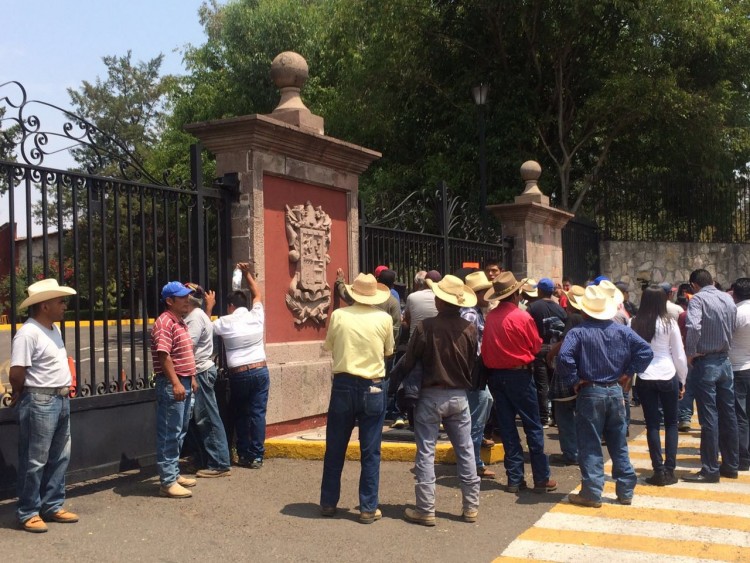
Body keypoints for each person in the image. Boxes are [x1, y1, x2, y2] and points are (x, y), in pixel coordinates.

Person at [557, 285, 653, 508]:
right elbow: (646, 351)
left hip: (590, 392)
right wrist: (628, 373)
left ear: (584, 311)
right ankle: (625, 491)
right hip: (615, 391)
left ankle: (591, 493)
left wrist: (574, 380)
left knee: (590, 444)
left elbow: (563, 358)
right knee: (618, 443)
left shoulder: (578, 333)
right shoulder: (622, 330)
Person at [400, 275, 480, 526]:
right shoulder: (470, 328)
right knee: (465, 450)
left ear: (440, 301)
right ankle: (470, 507)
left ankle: (426, 508)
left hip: (431, 394)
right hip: (459, 395)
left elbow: (410, 360)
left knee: (426, 451)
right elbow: (473, 361)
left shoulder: (426, 327)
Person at [320, 273, 394, 524]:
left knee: (335, 447)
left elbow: (329, 346)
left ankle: (329, 502)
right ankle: (367, 507)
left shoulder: (339, 315)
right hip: (373, 385)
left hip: (343, 383)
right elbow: (388, 351)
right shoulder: (384, 318)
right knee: (370, 450)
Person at [9, 279, 79, 532]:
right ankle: (28, 511)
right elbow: (17, 372)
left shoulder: (52, 329)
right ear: (44, 305)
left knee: (60, 456)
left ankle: (52, 505)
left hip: (60, 399)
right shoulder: (28, 333)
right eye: (60, 301)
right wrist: (19, 391)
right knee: (35, 459)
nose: (65, 305)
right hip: (40, 400)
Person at [482, 272, 557, 494]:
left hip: (496, 376)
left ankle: (515, 478)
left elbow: (486, 351)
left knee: (507, 427)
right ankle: (541, 478)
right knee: (532, 425)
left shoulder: (491, 318)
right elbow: (535, 347)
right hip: (520, 376)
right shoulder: (523, 317)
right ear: (515, 294)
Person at [683, 268, 740, 483]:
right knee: (729, 414)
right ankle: (731, 465)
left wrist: (690, 352)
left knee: (709, 418)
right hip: (725, 361)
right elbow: (733, 325)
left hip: (706, 362)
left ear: (694, 285)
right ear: (712, 281)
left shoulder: (698, 300)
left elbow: (693, 326)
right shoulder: (727, 299)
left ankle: (709, 469)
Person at [211, 263, 269, 469]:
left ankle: (244, 453)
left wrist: (209, 306)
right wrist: (247, 274)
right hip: (260, 369)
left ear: (230, 307)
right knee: (258, 413)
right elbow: (257, 294)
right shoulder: (257, 315)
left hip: (240, 374)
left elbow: (206, 329)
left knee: (242, 413)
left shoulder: (225, 321)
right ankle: (257, 456)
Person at [631, 286, 688, 486]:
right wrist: (683, 379)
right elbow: (679, 354)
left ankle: (658, 469)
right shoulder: (669, 322)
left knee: (652, 424)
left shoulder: (635, 322)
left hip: (645, 375)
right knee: (671, 423)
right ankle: (670, 470)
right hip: (668, 373)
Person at [151, 281, 199, 498]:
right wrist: (176, 382)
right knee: (170, 431)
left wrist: (192, 377)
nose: (187, 299)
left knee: (180, 430)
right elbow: (164, 355)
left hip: (184, 380)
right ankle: (167, 480)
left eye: (187, 296)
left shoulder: (179, 321)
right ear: (169, 301)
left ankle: (173, 472)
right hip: (174, 383)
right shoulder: (165, 322)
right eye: (182, 297)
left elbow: (185, 352)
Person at [183, 283, 231, 478]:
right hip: (203, 370)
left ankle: (219, 462)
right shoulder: (199, 315)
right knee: (201, 418)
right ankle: (206, 458)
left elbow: (188, 347)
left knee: (207, 418)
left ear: (188, 300)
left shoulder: (195, 318)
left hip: (200, 371)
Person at [459, 270, 496, 478]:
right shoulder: (471, 314)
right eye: (484, 292)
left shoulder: (474, 312)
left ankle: (473, 461)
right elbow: (468, 345)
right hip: (474, 370)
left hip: (475, 370)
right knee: (475, 418)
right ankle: (473, 464)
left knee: (483, 406)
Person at [527, 277, 567, 428]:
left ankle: (544, 418)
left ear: (540, 290)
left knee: (542, 384)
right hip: (557, 348)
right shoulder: (560, 309)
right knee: (554, 383)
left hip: (540, 348)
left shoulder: (533, 307)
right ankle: (556, 418)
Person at [730, 278, 750, 472]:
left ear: (735, 293)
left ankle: (743, 458)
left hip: (738, 368)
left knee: (740, 416)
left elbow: (726, 337)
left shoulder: (736, 313)